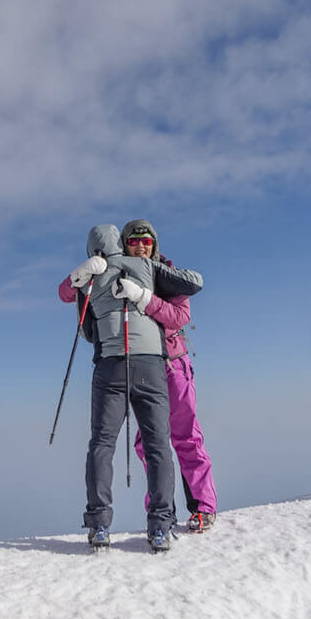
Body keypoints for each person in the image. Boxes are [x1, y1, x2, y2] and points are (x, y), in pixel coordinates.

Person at [59, 224, 204, 552]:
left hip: (109, 367)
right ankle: (160, 526)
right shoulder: (147, 267)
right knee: (158, 446)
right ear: (123, 244)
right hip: (151, 365)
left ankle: (98, 525)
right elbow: (195, 282)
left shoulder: (88, 276)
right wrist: (144, 295)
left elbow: (84, 326)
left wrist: (80, 276)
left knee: (102, 444)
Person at [119, 219, 218, 534]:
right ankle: (162, 510)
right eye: (134, 241)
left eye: (147, 241)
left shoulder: (168, 274)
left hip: (173, 364)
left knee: (186, 436)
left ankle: (203, 507)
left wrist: (143, 299)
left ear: (154, 244)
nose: (141, 246)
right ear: (125, 244)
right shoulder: (117, 276)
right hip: (140, 367)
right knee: (147, 442)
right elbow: (69, 294)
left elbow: (179, 317)